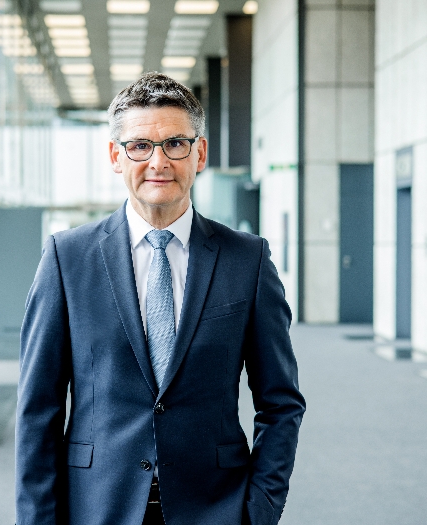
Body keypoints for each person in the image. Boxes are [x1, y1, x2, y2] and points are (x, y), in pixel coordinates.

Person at [15, 72, 305, 525]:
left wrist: (260, 511)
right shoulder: (66, 259)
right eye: (139, 146)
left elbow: (281, 402)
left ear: (200, 153)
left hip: (216, 507)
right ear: (116, 155)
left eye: (175, 143)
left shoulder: (247, 260)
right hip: (96, 506)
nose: (158, 161)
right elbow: (38, 410)